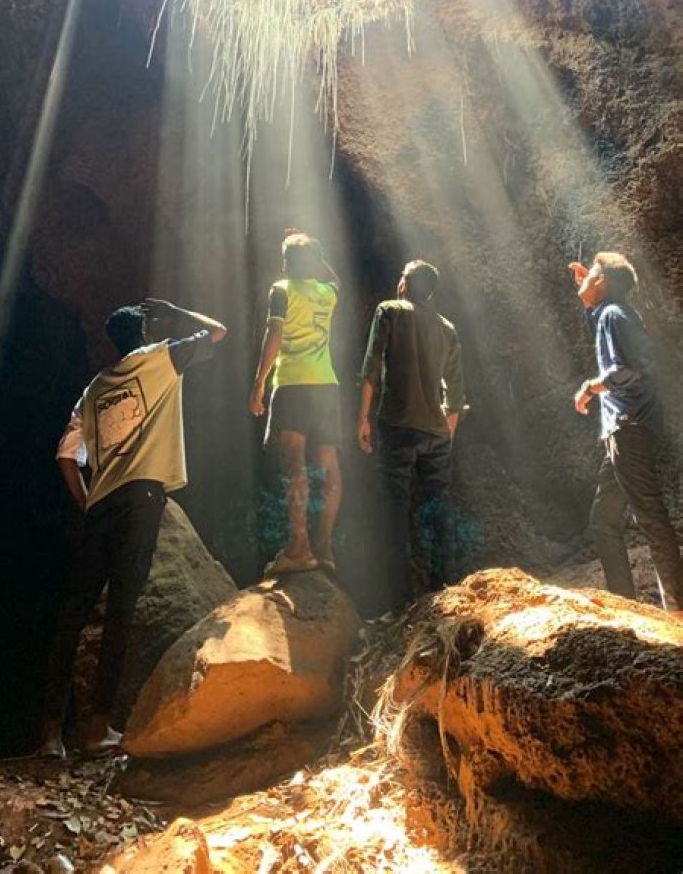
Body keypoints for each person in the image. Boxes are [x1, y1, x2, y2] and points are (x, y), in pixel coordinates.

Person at [39, 297, 227, 757]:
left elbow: (65, 456)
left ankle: (48, 736)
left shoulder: (96, 387)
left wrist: (88, 503)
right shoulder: (161, 358)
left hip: (101, 503)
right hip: (142, 497)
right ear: (144, 334)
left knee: (72, 617)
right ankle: (98, 729)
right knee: (121, 612)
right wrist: (176, 309)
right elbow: (218, 331)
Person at [570, 253, 683, 614]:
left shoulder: (616, 314)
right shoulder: (609, 313)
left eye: (592, 276)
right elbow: (601, 322)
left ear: (602, 281)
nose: (584, 282)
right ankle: (625, 605)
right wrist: (588, 288)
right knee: (604, 520)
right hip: (622, 430)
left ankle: (678, 609)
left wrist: (591, 386)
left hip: (630, 425)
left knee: (649, 513)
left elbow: (631, 367)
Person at [358, 259, 466, 612]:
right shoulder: (447, 328)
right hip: (436, 431)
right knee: (438, 508)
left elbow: (371, 368)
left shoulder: (388, 311)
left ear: (404, 283)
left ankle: (400, 603)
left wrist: (363, 419)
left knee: (395, 512)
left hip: (398, 426)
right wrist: (446, 435)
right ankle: (444, 590)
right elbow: (457, 395)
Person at [249, 231, 342, 575]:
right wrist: (314, 251)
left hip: (292, 384)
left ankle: (299, 548)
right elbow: (336, 279)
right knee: (329, 464)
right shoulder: (327, 293)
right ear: (315, 263)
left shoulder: (281, 289)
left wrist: (258, 383)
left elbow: (274, 335)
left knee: (294, 463)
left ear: (286, 262)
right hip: (327, 385)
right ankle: (325, 546)